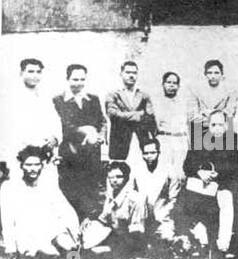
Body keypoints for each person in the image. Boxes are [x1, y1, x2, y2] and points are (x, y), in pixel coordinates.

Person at [180, 110, 238, 258]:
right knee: (187, 200)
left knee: (225, 198)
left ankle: (224, 244)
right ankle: (199, 240)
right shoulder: (200, 140)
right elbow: (188, 164)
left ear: (226, 125)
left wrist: (220, 174)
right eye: (213, 124)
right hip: (205, 185)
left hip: (227, 184)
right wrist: (200, 172)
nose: (217, 128)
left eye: (220, 124)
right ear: (208, 125)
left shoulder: (236, 140)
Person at [1, 146, 79, 259]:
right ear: (21, 165)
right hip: (26, 230)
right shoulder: (10, 187)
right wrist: (11, 248)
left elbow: (66, 210)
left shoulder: (49, 185)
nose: (33, 169)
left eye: (36, 164)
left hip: (51, 227)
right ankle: (50, 254)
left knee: (68, 244)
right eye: (28, 165)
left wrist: (75, 233)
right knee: (47, 252)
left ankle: (70, 253)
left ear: (42, 165)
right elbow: (7, 220)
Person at [53, 64, 107, 221]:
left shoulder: (93, 99)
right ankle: (73, 225)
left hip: (91, 154)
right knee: (71, 190)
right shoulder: (58, 100)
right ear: (67, 79)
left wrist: (101, 136)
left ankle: (89, 228)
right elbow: (64, 126)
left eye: (82, 79)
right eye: (75, 79)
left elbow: (102, 121)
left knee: (91, 188)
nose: (78, 83)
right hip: (70, 154)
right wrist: (87, 131)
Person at [0, 58, 61, 180]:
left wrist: (55, 138)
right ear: (21, 73)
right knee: (20, 184)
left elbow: (55, 120)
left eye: (38, 72)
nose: (35, 75)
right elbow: (9, 126)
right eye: (30, 71)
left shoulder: (45, 96)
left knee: (46, 183)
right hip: (20, 151)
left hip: (44, 151)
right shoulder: (11, 96)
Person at [89, 161, 148, 259]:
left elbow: (137, 234)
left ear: (126, 178)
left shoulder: (135, 199)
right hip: (115, 238)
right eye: (111, 177)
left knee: (96, 252)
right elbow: (103, 220)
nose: (114, 180)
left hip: (131, 242)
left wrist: (111, 248)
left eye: (118, 177)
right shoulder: (111, 196)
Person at [106, 61, 157, 161]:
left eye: (134, 73)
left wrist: (125, 115)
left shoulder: (144, 95)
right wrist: (139, 115)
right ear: (121, 74)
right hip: (119, 140)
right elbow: (113, 115)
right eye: (128, 72)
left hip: (141, 140)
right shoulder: (113, 95)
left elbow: (149, 116)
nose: (131, 76)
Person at [134, 139, 181, 242]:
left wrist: (162, 214)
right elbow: (132, 194)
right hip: (141, 217)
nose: (149, 156)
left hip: (162, 216)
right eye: (145, 153)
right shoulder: (137, 170)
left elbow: (174, 199)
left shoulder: (169, 171)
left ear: (159, 152)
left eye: (152, 152)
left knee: (166, 239)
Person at [153, 72, 189, 177]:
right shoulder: (157, 103)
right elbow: (155, 124)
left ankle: (175, 194)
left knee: (179, 172)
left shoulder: (183, 103)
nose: (171, 85)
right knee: (162, 171)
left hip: (180, 140)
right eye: (168, 82)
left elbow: (187, 124)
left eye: (175, 83)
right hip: (164, 139)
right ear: (163, 84)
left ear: (178, 86)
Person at [188, 60, 238, 129]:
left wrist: (207, 113)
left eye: (216, 73)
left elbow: (230, 113)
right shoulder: (196, 90)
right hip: (201, 129)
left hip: (222, 129)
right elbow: (192, 116)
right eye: (210, 73)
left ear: (222, 74)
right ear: (205, 75)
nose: (213, 76)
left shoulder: (230, 91)